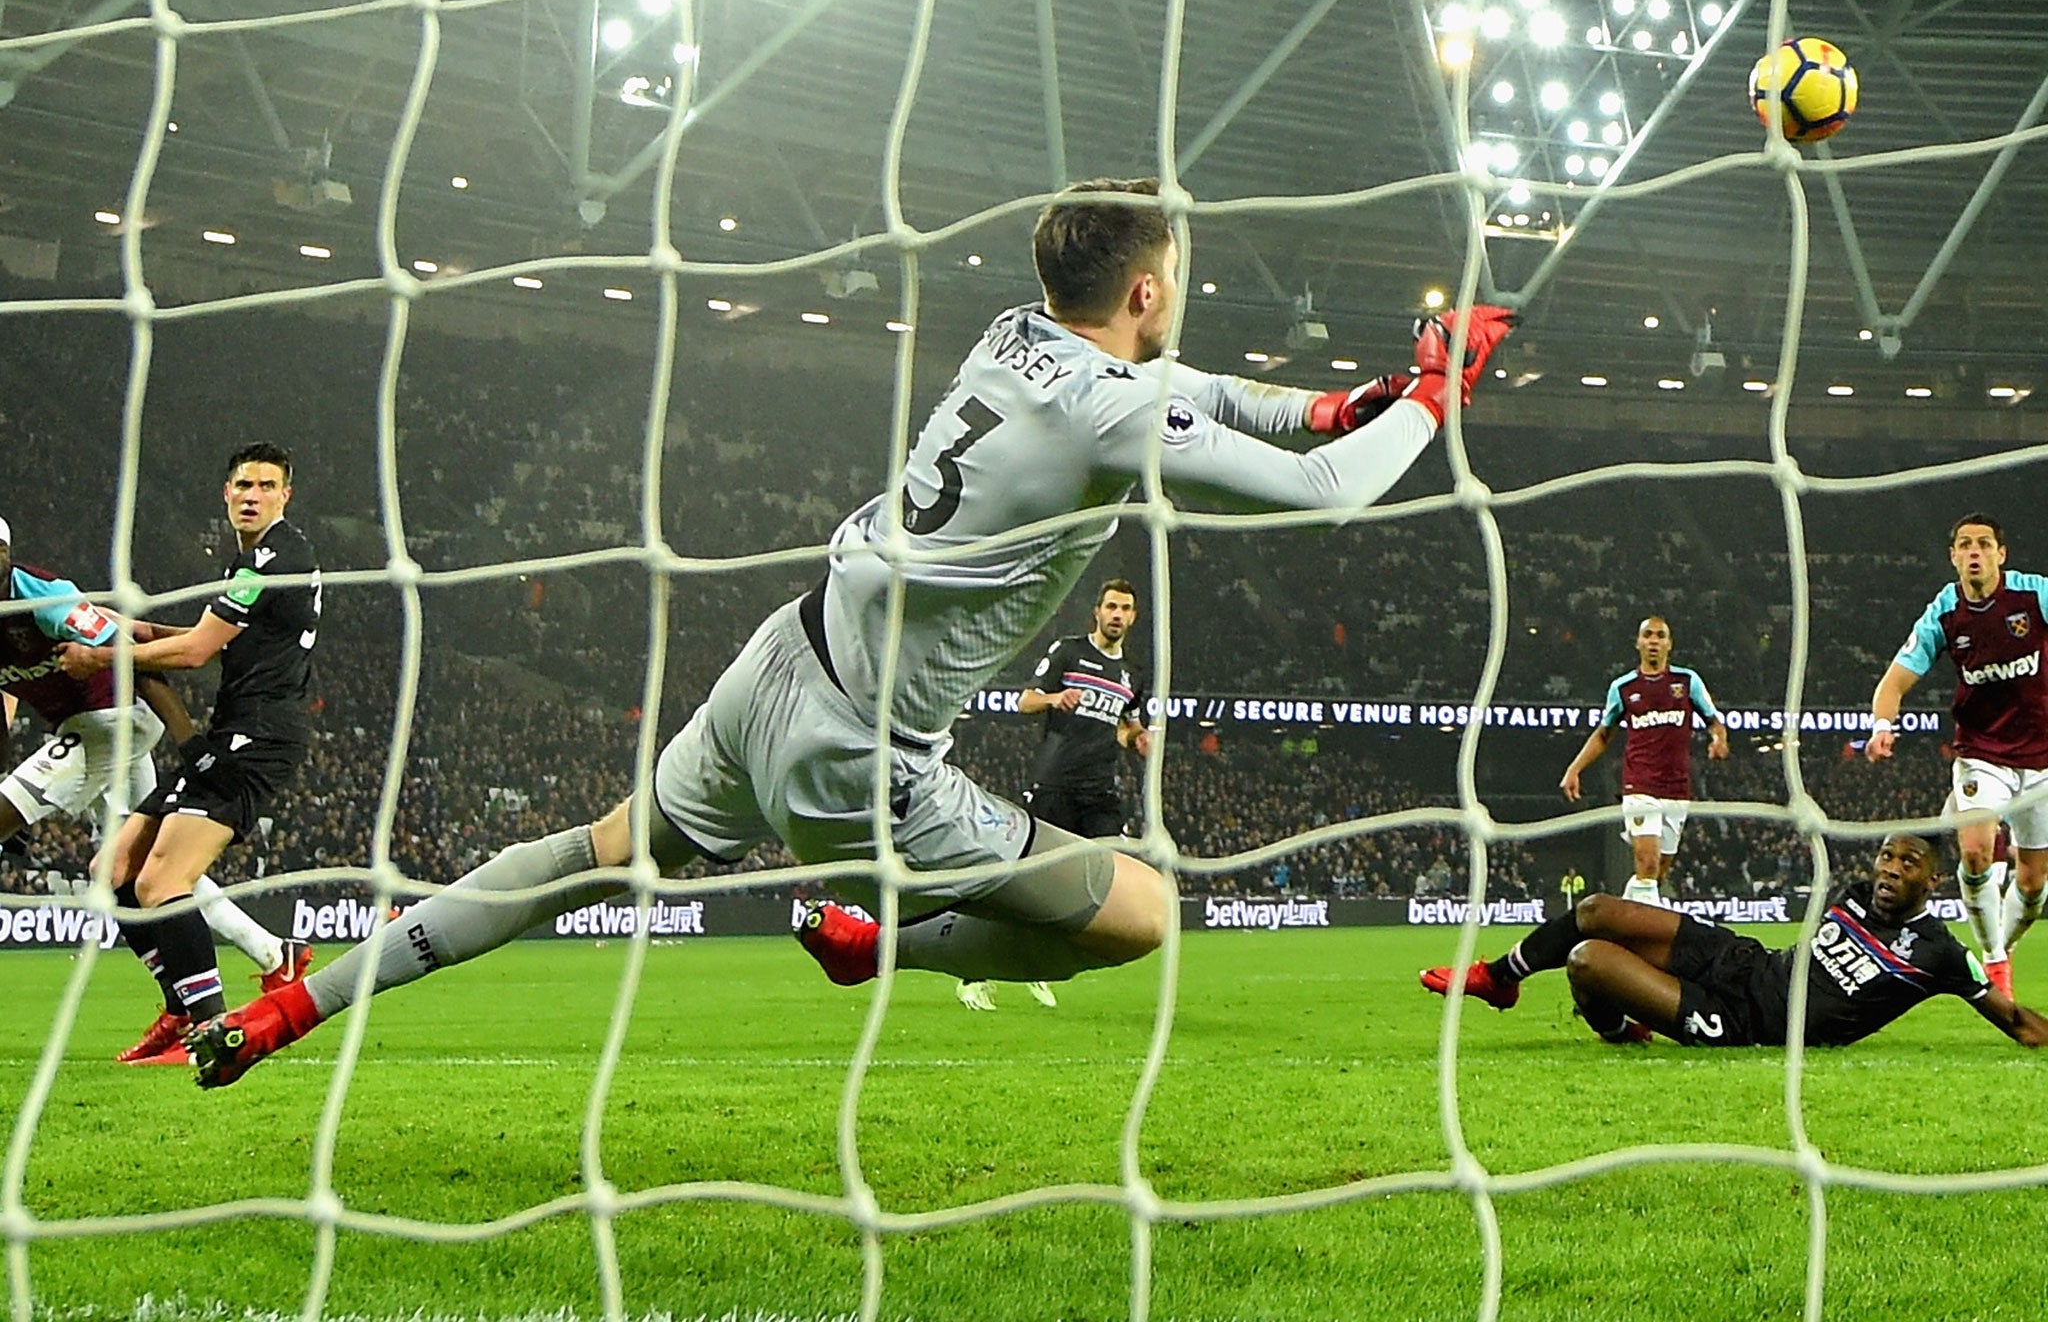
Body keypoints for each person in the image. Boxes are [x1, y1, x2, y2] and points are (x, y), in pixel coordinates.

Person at [186, 174, 1518, 1090]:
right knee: (1141, 916)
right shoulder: (1111, 412)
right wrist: (1435, 398)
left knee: (584, 856)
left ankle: (289, 1007)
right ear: (1151, 290)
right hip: (859, 759)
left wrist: (1354, 397)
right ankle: (883, 949)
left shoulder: (1015, 336)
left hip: (779, 655)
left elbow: (1208, 393)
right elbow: (1329, 498)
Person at [0, 515, 309, 1056]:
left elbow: (141, 659)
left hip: (117, 718)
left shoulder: (44, 600)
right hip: (86, 727)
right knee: (126, 870)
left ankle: (202, 1013)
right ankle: (266, 956)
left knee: (154, 873)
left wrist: (191, 746)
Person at [1420, 834, 2048, 1050]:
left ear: (1931, 880)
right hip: (1744, 960)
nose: (1889, 869)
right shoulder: (1852, 894)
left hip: (1746, 1018)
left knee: (1588, 964)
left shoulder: (1938, 952)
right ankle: (1501, 978)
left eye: (1908, 864)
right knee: (1596, 910)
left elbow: (2016, 1021)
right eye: (1886, 857)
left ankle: (1623, 1031)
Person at [1865, 513, 2048, 999]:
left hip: (2043, 759)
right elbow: (1894, 682)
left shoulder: (2035, 596)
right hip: (1981, 752)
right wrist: (1883, 725)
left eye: (1984, 544)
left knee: (2032, 887)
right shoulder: (1944, 612)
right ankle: (1995, 968)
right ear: (1953, 557)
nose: (1975, 552)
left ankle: (2000, 946)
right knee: (1974, 850)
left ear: (2000, 555)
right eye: (1965, 544)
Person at [959, 578, 1149, 1013]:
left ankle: (1039, 964)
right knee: (1021, 879)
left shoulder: (1133, 675)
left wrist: (1138, 739)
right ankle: (973, 973)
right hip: (1055, 784)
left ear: (1133, 617)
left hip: (1100, 789)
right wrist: (1054, 698)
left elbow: (1124, 726)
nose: (1117, 615)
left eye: (1125, 608)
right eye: (1111, 607)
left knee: (1110, 871)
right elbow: (1024, 702)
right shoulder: (1069, 651)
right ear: (1097, 612)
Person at [1558, 616, 1729, 906]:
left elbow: (1715, 721)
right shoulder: (1623, 688)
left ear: (1669, 644)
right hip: (1640, 785)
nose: (1653, 640)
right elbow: (1603, 735)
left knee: (1658, 873)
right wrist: (1574, 769)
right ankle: (1641, 940)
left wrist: (1719, 739)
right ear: (1638, 643)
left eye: (1660, 635)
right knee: (1647, 863)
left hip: (1676, 789)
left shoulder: (1687, 682)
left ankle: (1624, 910)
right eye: (1647, 635)